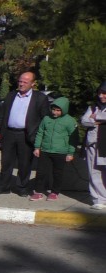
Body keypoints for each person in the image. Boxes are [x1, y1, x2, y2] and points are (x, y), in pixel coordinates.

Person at [0, 72, 51, 196]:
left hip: (27, 135)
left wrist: (40, 138)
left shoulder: (40, 98)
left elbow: (45, 120)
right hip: (9, 133)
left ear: (33, 84)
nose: (21, 84)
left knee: (25, 163)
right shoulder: (11, 95)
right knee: (6, 162)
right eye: (20, 81)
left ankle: (22, 187)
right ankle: (3, 187)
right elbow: (1, 115)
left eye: (25, 82)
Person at [30, 97, 78, 201]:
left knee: (57, 173)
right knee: (41, 172)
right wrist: (37, 147)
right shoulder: (46, 118)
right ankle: (38, 191)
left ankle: (54, 192)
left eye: (58, 110)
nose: (55, 112)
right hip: (45, 150)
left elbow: (73, 138)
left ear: (64, 110)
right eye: (53, 109)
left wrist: (70, 153)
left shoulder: (70, 121)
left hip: (61, 152)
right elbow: (40, 132)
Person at [81, 81, 106, 210]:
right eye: (100, 93)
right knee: (94, 171)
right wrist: (95, 120)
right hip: (93, 144)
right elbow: (84, 120)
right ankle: (98, 199)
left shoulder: (96, 111)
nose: (102, 96)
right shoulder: (93, 107)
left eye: (104, 93)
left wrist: (97, 117)